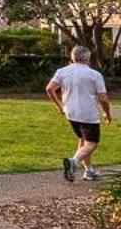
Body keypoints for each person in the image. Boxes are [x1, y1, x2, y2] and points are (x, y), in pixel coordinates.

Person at [46, 45, 112, 182]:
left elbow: (49, 89)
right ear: (88, 58)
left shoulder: (62, 71)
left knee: (83, 140)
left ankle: (88, 171)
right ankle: (73, 162)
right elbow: (103, 98)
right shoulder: (94, 75)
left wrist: (59, 107)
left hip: (71, 112)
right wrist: (107, 113)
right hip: (88, 114)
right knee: (91, 143)